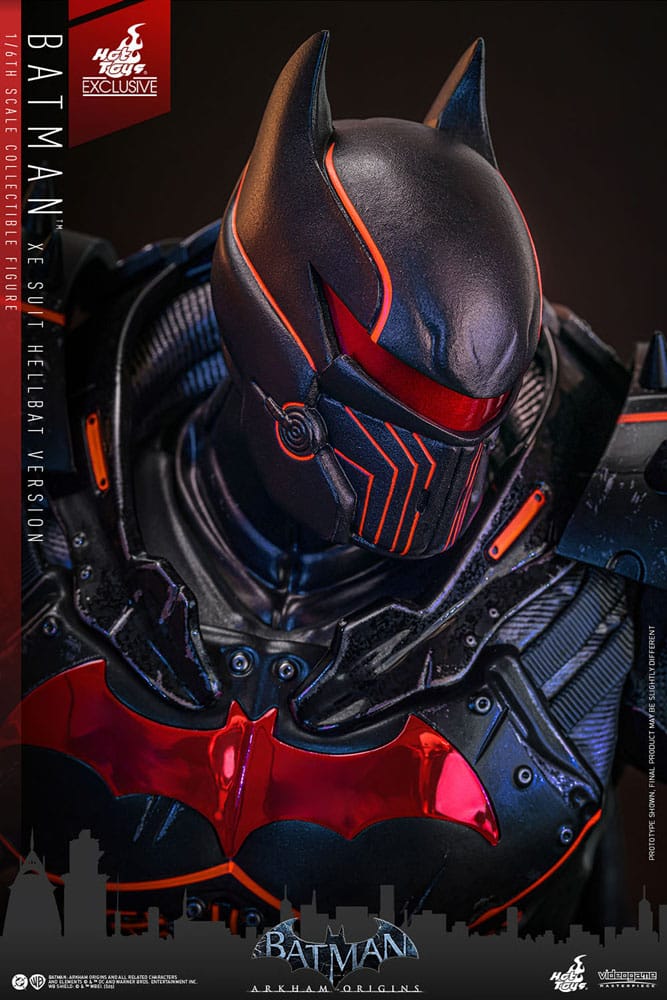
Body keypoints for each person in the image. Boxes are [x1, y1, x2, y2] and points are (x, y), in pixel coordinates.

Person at [5, 32, 665, 939]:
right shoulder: (41, 391)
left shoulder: (617, 485)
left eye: (476, 404)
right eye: (410, 395)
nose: (451, 456)